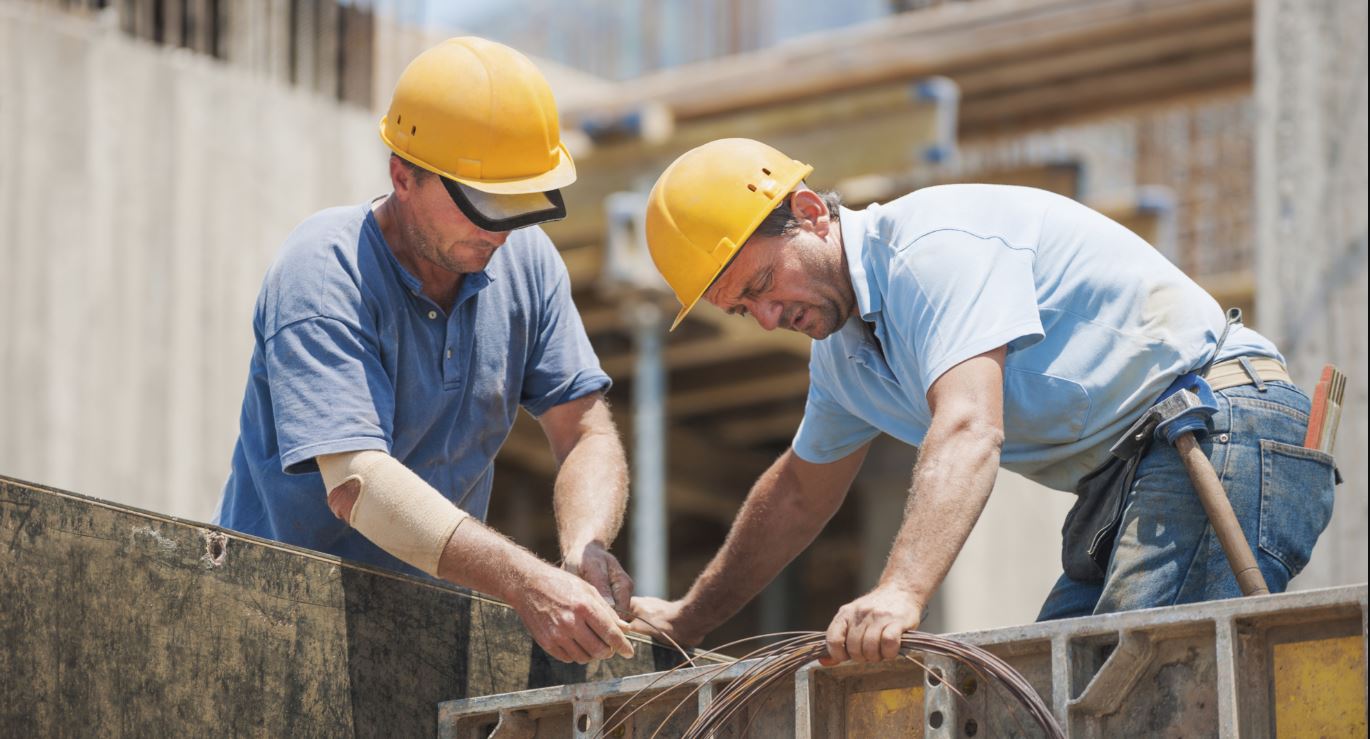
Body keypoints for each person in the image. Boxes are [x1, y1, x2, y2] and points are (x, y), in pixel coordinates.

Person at [629, 137, 1337, 664]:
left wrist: (901, 591)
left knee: (1133, 690)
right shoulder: (845, 358)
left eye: (761, 283)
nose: (766, 315)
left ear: (811, 213)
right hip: (1141, 472)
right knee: (1045, 693)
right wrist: (689, 620)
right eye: (741, 309)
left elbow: (969, 427)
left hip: (1222, 425)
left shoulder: (931, 250)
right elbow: (796, 497)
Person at [214, 38, 636, 665]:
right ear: (402, 176)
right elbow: (357, 483)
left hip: (427, 634)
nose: (498, 229)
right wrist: (526, 583)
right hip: (275, 624)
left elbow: (584, 432)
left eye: (517, 203)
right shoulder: (325, 270)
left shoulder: (526, 262)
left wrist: (585, 549)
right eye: (480, 203)